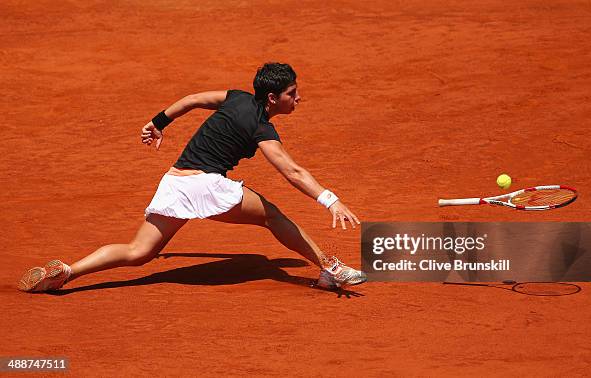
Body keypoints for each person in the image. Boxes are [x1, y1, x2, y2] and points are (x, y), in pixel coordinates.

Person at [18, 62, 366, 293]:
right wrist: (329, 199)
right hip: (205, 186)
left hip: (174, 182)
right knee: (272, 216)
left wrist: (158, 122)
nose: (298, 98)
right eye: (292, 93)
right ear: (273, 98)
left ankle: (68, 271)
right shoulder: (262, 127)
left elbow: (194, 99)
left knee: (139, 251)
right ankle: (329, 269)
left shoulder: (235, 98)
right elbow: (292, 171)